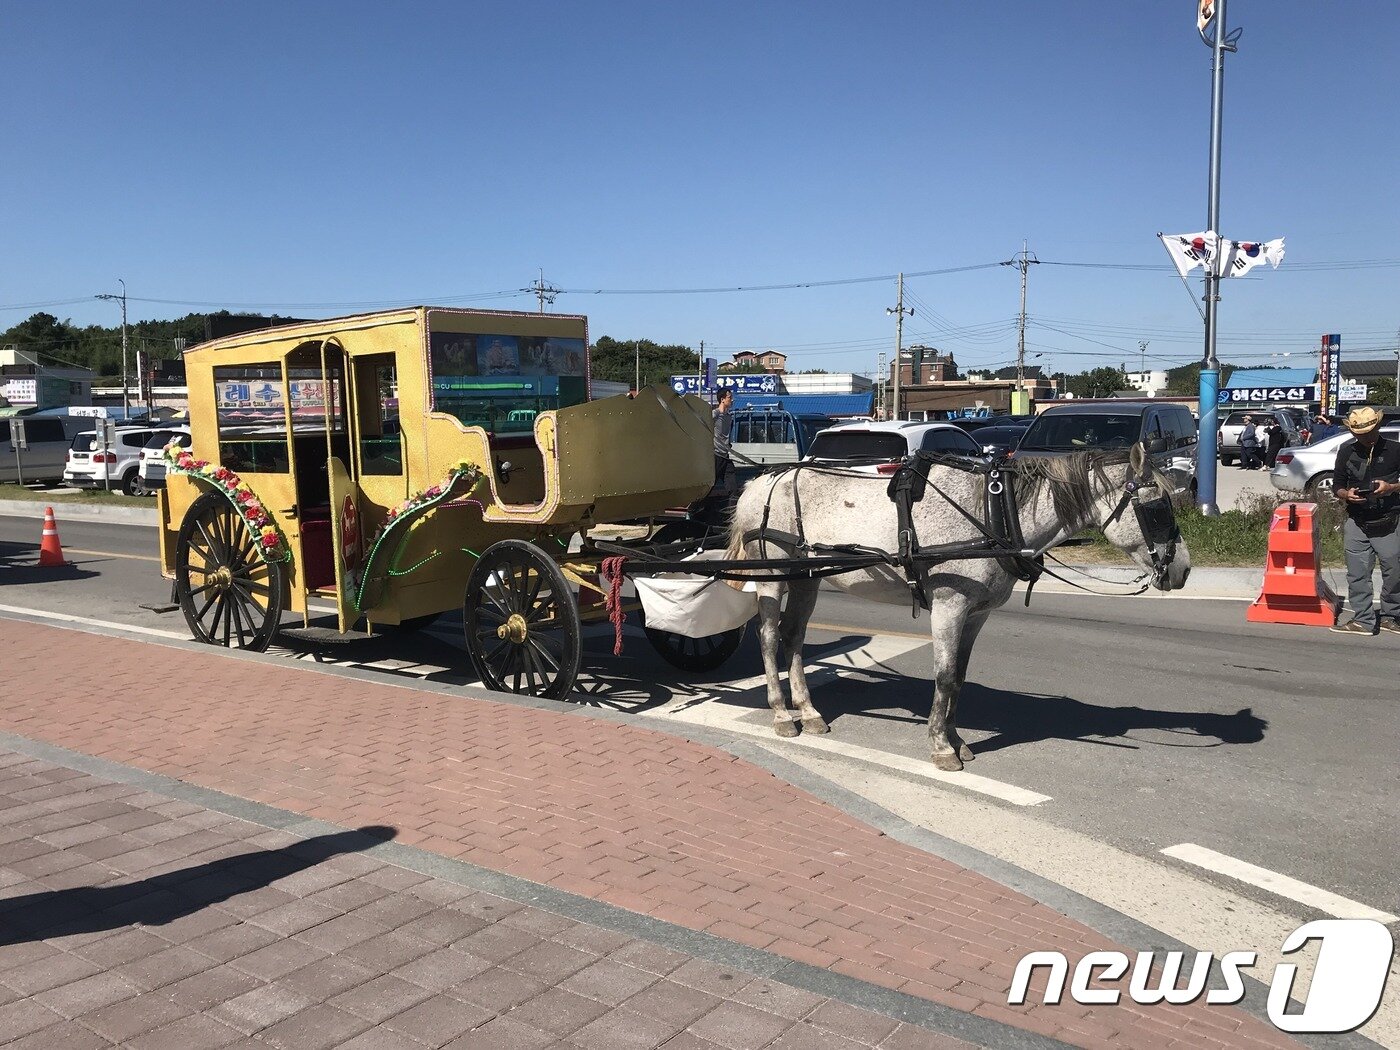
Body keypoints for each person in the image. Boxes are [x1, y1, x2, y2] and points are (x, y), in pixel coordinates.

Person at [1329, 406, 1400, 635]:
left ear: (1378, 427)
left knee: (1394, 571)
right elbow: (1337, 485)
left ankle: (1391, 616)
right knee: (1357, 574)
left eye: (1370, 432)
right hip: (1357, 521)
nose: (1366, 437)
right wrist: (1345, 494)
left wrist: (1391, 488)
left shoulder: (1395, 449)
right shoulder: (1346, 451)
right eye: (1360, 434)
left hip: (1389, 520)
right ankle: (1364, 620)